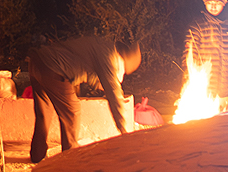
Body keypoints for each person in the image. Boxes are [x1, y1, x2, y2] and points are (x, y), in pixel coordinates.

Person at [24, 35, 142, 164]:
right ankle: (70, 158)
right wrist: (126, 132)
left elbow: (92, 76)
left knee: (44, 113)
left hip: (37, 62)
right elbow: (113, 92)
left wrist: (107, 86)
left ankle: (37, 155)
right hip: (52, 67)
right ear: (122, 59)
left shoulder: (100, 47)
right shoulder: (109, 56)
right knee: (72, 110)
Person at [184, 0, 228, 112]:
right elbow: (188, 63)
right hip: (203, 94)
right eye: (209, 2)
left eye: (217, 3)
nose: (213, 6)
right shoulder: (197, 27)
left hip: (224, 96)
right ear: (204, 2)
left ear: (224, 2)